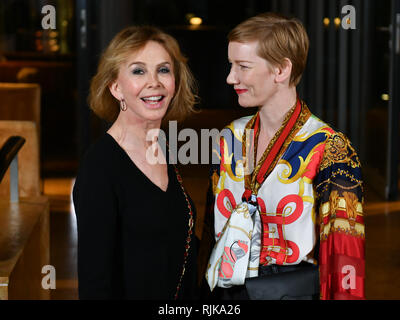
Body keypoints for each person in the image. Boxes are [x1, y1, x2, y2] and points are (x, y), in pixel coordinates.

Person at [200, 12, 365, 300]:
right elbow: (210, 234)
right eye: (231, 65)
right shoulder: (229, 137)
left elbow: (343, 258)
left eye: (243, 66)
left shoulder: (330, 148)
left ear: (281, 70)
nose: (230, 78)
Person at [72, 26, 198, 300]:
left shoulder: (163, 147)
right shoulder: (100, 168)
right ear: (115, 87)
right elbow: (95, 285)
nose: (154, 82)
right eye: (138, 71)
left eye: (163, 70)